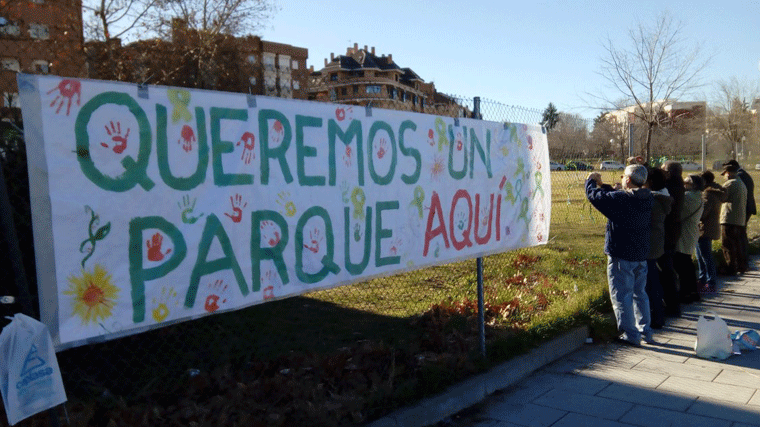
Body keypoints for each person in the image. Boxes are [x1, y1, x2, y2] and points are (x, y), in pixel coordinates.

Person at [586, 165, 655, 346]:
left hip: (621, 254)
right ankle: (645, 330)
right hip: (640, 254)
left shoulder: (621, 199)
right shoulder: (647, 198)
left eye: (623, 176)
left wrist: (591, 181)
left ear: (628, 180)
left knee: (622, 294)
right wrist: (606, 186)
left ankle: (630, 334)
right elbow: (616, 197)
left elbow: (597, 198)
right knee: (640, 293)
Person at [644, 168, 672, 328]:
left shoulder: (652, 201)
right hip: (656, 243)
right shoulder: (662, 198)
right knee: (654, 279)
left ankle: (656, 316)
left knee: (650, 283)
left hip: (648, 244)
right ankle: (658, 313)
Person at [660, 161, 685, 317]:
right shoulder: (679, 185)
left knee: (666, 269)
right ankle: (673, 303)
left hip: (666, 231)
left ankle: (671, 305)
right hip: (674, 230)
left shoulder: (668, 188)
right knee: (668, 267)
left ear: (668, 172)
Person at [674, 175, 704, 303]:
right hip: (690, 232)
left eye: (686, 183)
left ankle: (686, 293)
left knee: (682, 265)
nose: (683, 185)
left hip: (685, 233)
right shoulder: (697, 196)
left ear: (693, 185)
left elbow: (678, 213)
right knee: (687, 264)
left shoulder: (689, 198)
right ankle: (692, 292)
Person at [723, 160, 755, 272]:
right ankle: (743, 263)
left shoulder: (738, 177)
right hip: (746, 208)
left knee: (736, 238)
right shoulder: (744, 174)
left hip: (740, 210)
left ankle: (738, 263)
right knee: (741, 237)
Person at [697, 170, 726, 293]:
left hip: (705, 228)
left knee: (705, 256)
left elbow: (703, 214)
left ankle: (710, 282)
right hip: (710, 227)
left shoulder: (708, 194)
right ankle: (703, 279)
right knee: (701, 256)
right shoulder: (716, 192)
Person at [720, 163, 748, 275]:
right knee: (737, 243)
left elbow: (721, 198)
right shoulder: (741, 183)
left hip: (729, 218)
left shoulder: (730, 184)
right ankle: (741, 265)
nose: (724, 176)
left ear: (729, 173)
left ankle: (730, 267)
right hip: (739, 218)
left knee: (727, 244)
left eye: (725, 174)